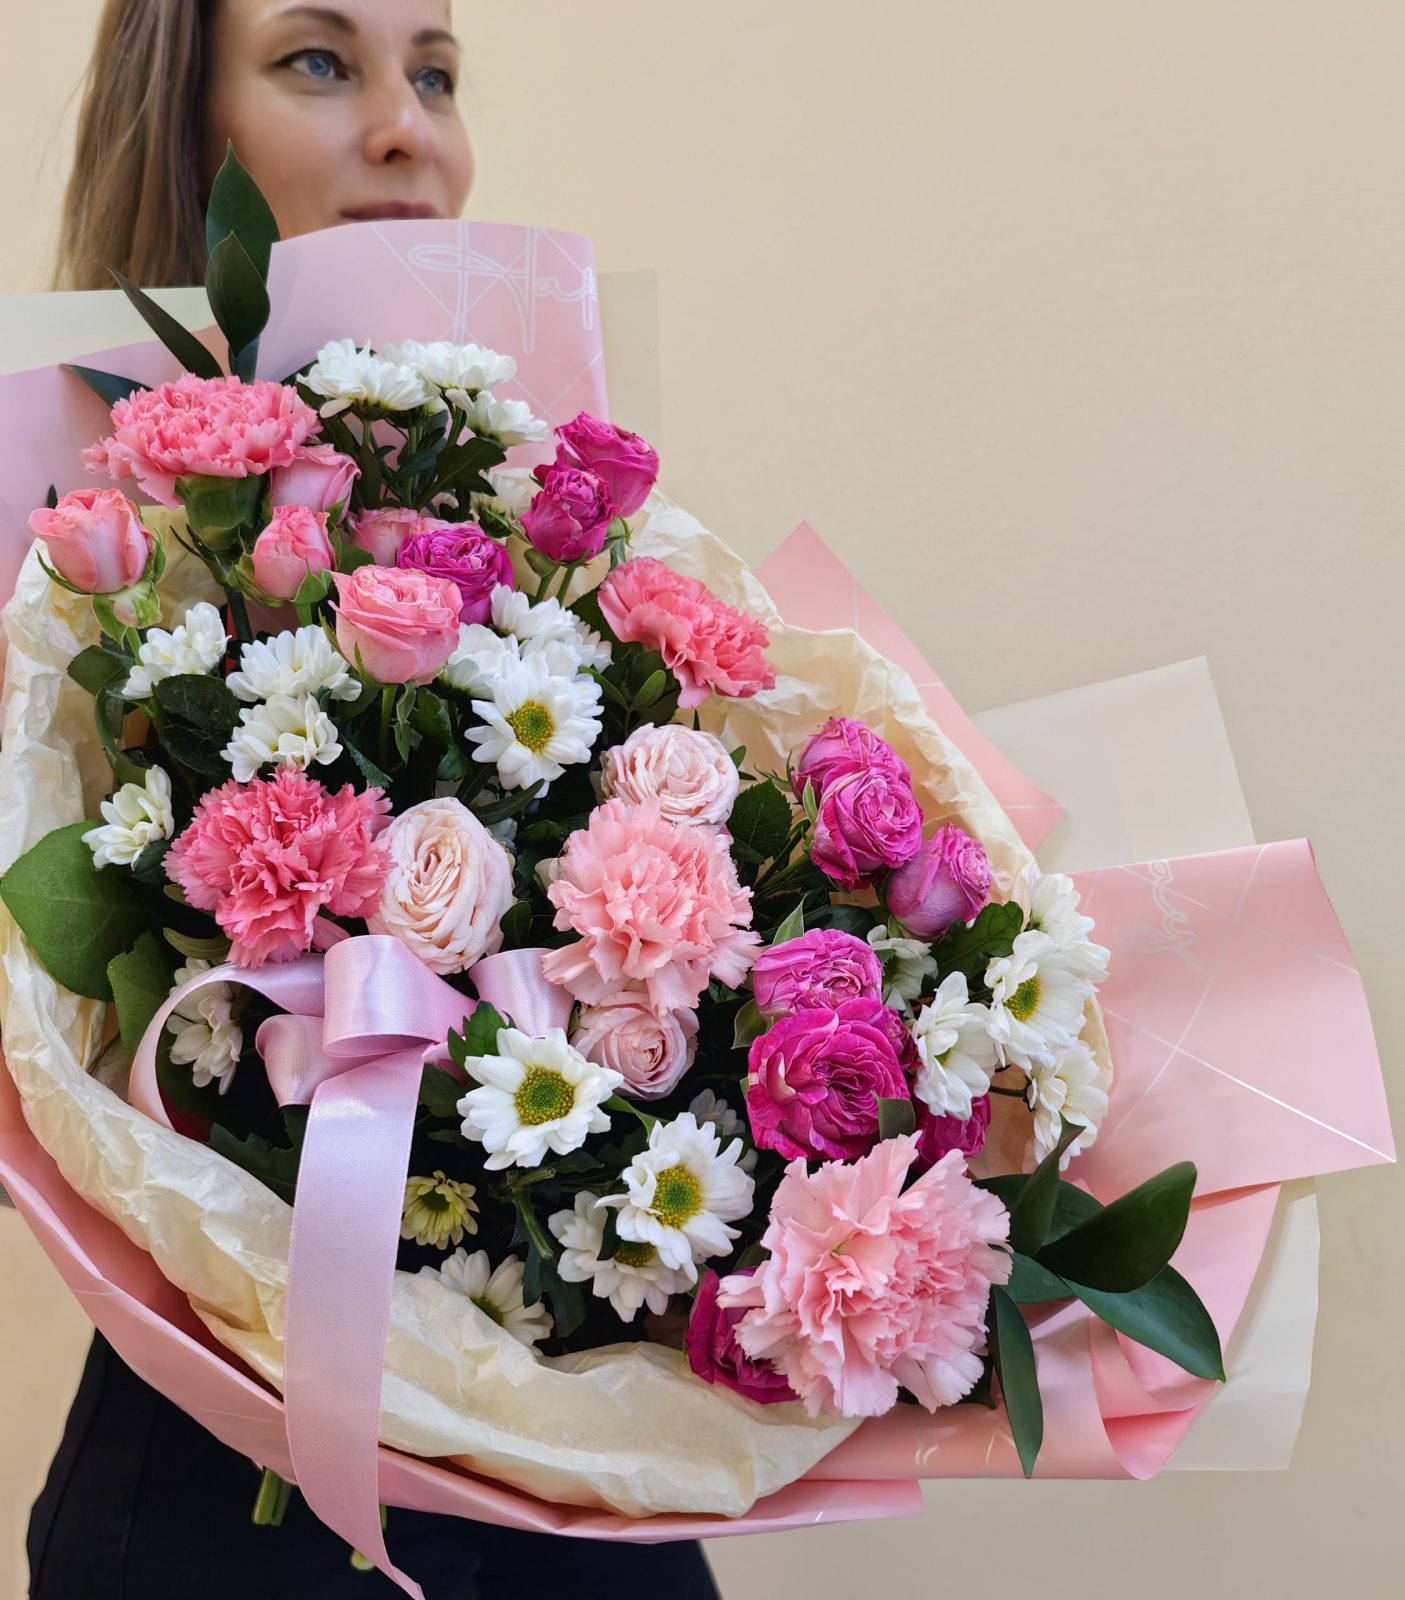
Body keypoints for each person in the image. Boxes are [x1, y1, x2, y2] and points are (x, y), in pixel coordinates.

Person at [30, 4, 723, 1596]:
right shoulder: (64, 569)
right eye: (320, 61)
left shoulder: (546, 546)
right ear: (185, 134)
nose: (411, 125)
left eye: (437, 73)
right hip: (223, 1493)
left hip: (556, 1450)